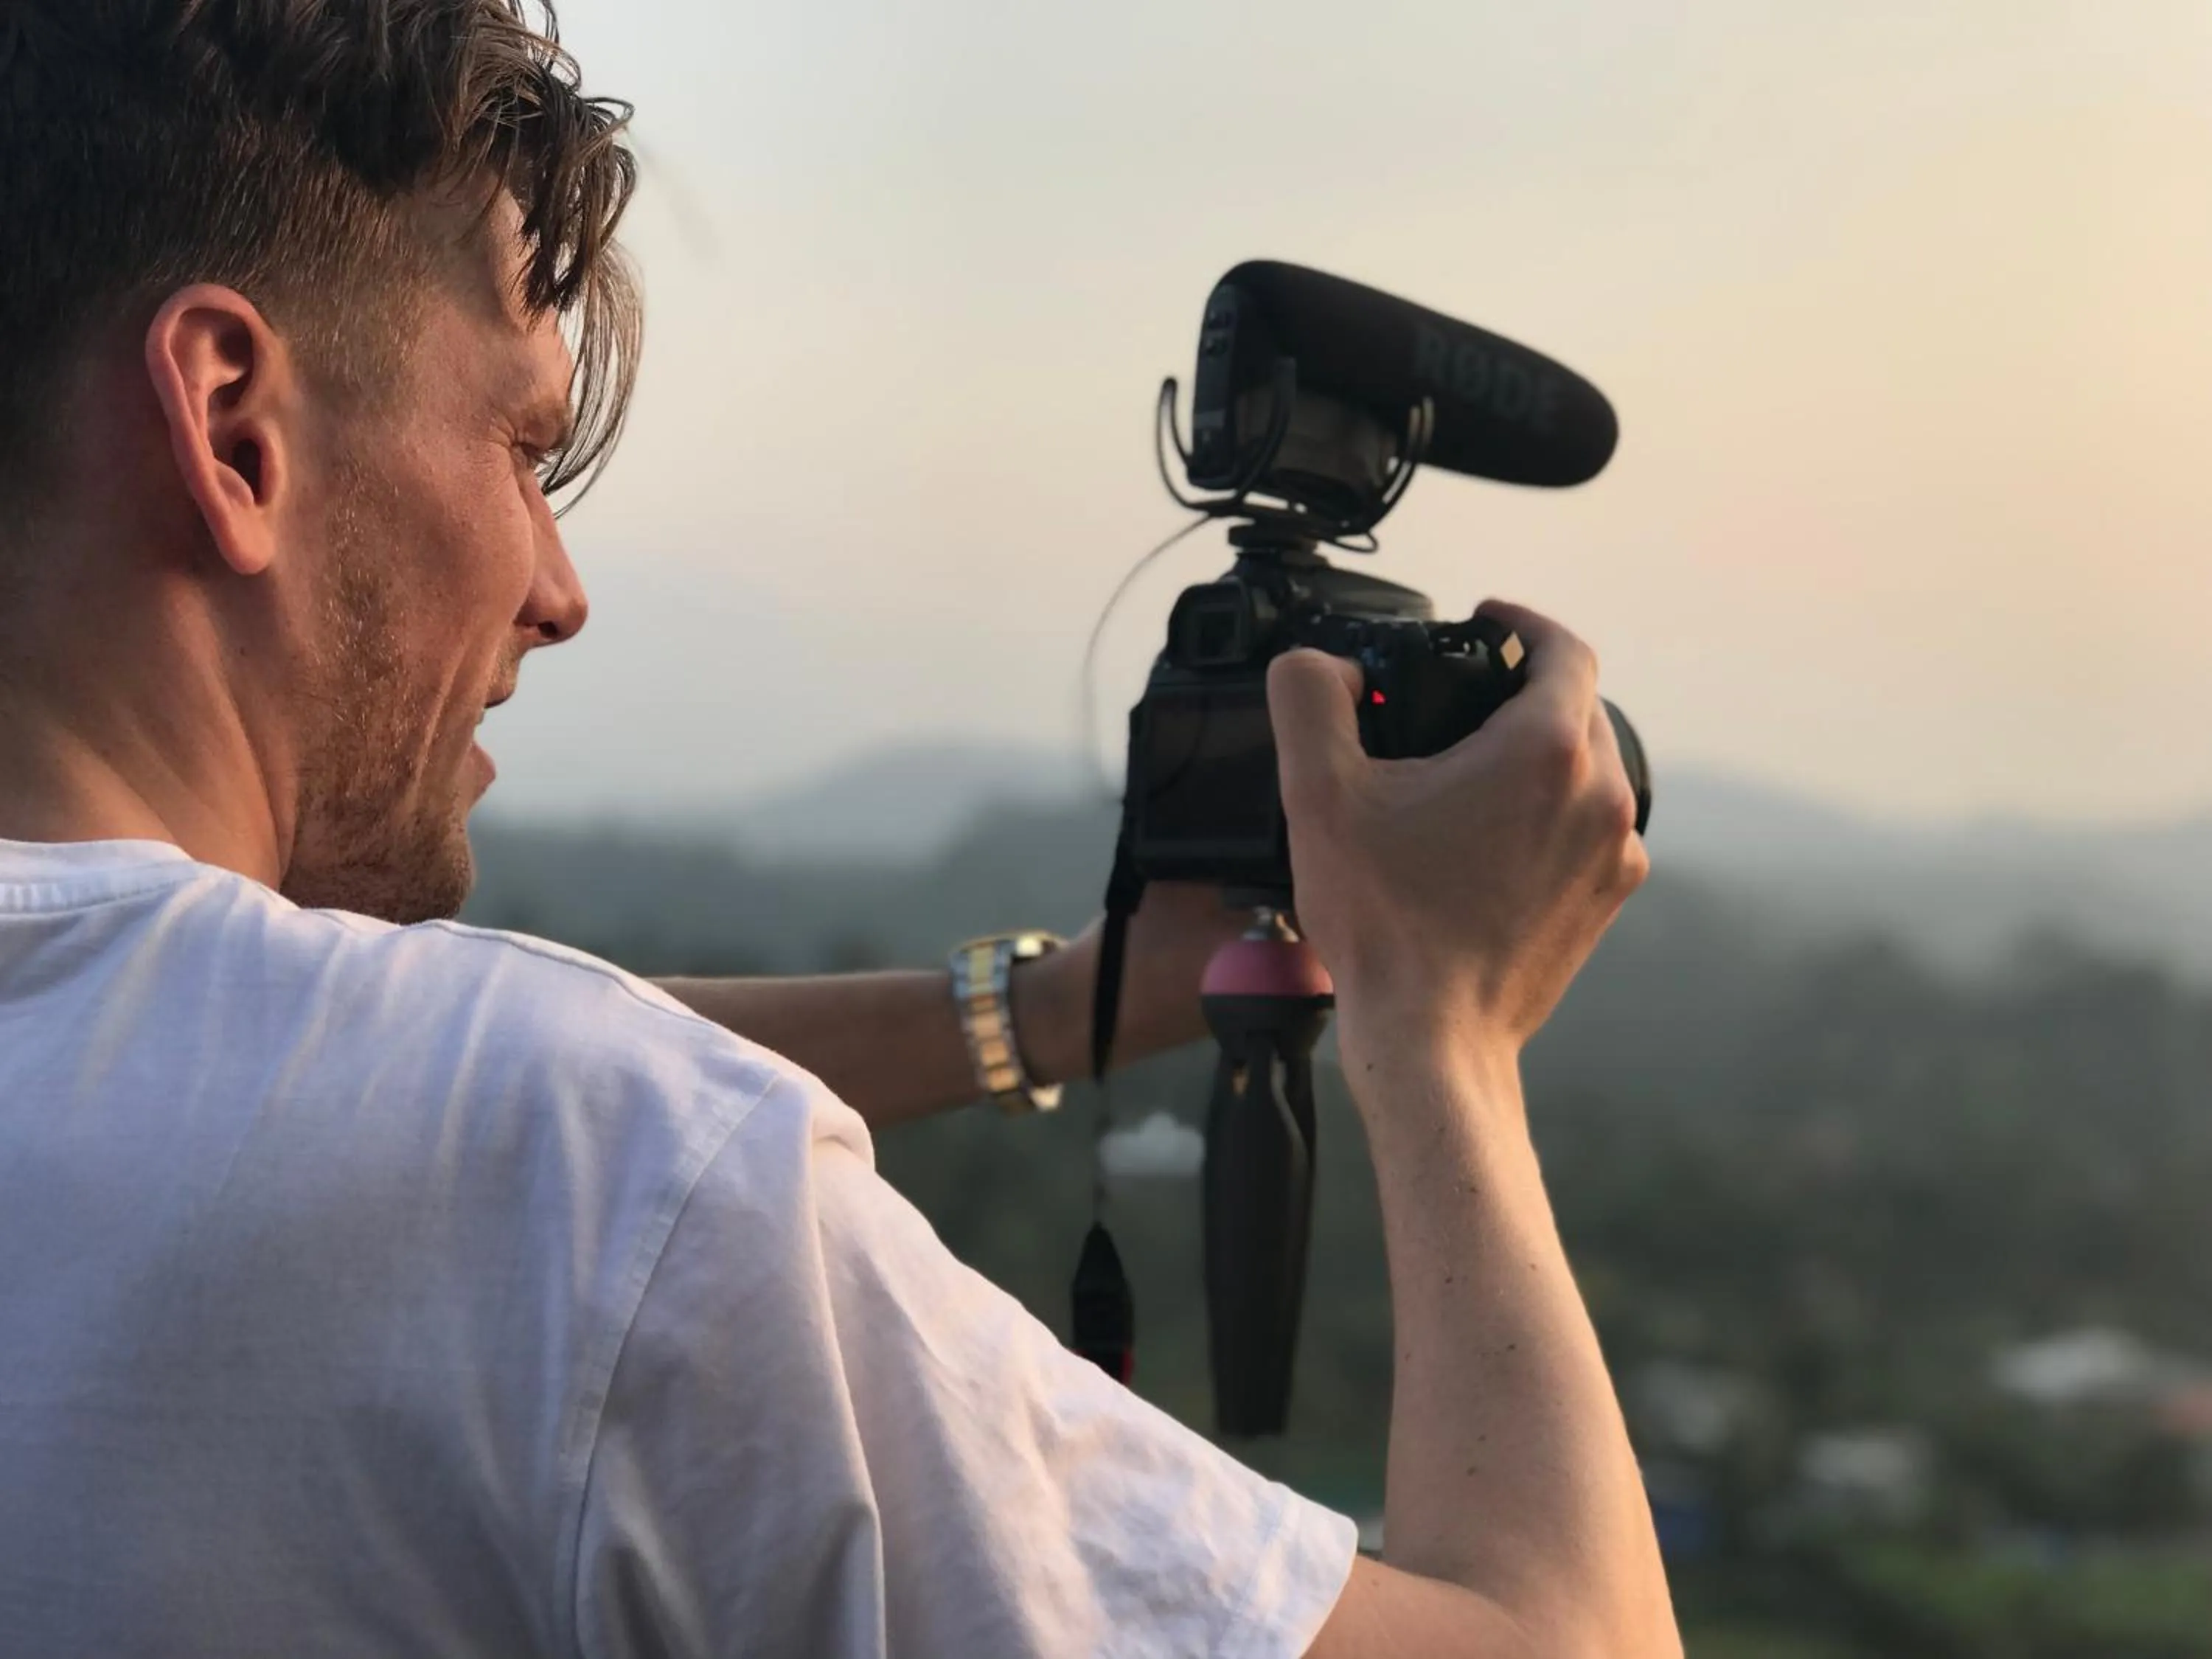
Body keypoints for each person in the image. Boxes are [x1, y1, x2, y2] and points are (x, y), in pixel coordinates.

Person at [0, 3, 1676, 1655]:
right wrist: (1444, 1026)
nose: (555, 591)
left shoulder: (491, 1136)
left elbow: (356, 1065)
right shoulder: (601, 1178)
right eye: (522, 445)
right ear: (233, 426)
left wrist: (1080, 1001)